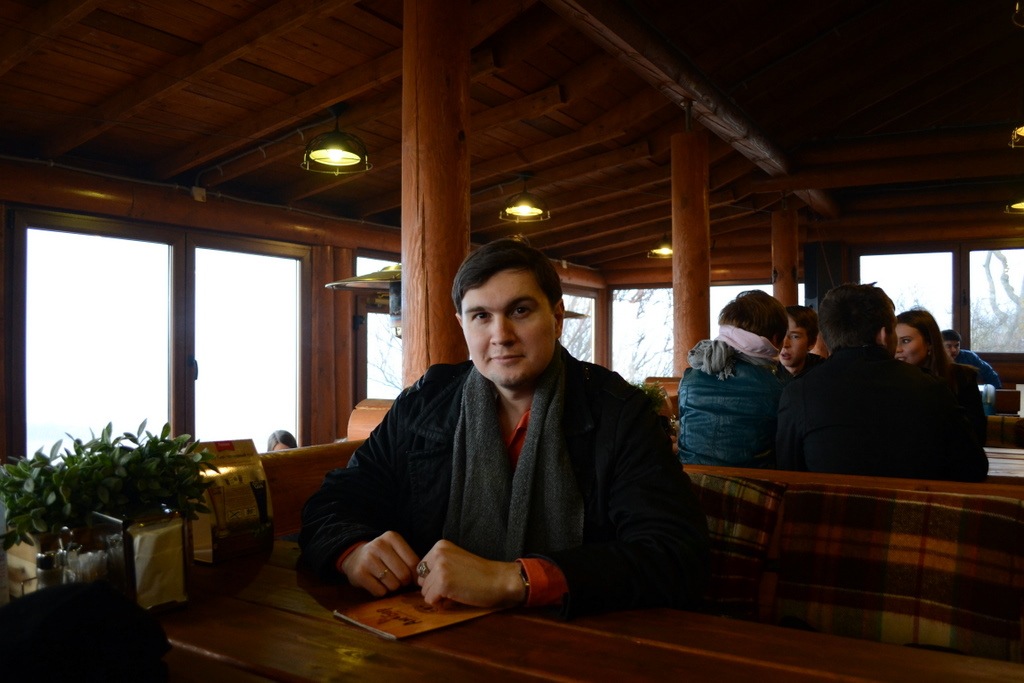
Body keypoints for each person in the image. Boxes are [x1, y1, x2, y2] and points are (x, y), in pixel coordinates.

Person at [299, 237, 709, 618]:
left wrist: (512, 580)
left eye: (520, 310)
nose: (501, 336)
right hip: (431, 632)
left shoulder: (619, 413)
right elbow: (332, 502)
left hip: (578, 641)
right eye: (481, 316)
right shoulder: (424, 404)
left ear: (557, 318)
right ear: (462, 324)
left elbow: (675, 554)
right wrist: (352, 551)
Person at [776, 284, 987, 481]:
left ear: (827, 336)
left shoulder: (798, 392)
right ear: (884, 334)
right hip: (913, 506)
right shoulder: (931, 388)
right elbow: (973, 468)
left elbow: (788, 472)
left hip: (827, 508)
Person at [677, 290, 790, 468]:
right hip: (751, 484)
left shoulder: (689, 379)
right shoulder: (779, 387)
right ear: (776, 339)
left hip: (689, 481)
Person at [896, 310, 986, 445]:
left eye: (906, 341)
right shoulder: (890, 379)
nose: (897, 349)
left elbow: (977, 434)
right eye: (893, 341)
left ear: (929, 343)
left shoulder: (962, 377)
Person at [779, 305, 826, 378]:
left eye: (795, 336)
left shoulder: (823, 371)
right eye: (781, 334)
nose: (785, 344)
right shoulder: (767, 371)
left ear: (811, 342)